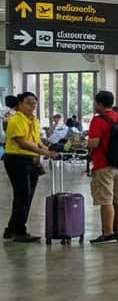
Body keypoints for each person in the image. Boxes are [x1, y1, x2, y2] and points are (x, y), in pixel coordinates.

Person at [4, 92, 57, 242]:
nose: (32, 106)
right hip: (17, 160)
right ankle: (19, 231)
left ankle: (11, 229)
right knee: (23, 195)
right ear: (20, 104)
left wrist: (47, 151)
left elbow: (36, 140)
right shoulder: (16, 120)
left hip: (31, 160)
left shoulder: (34, 120)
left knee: (27, 195)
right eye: (28, 103)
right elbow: (22, 142)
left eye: (34, 103)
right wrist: (42, 152)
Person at [87, 91, 118, 245]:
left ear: (99, 103)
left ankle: (107, 234)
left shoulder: (98, 120)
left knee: (106, 199)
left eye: (95, 102)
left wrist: (81, 143)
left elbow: (94, 143)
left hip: (104, 165)